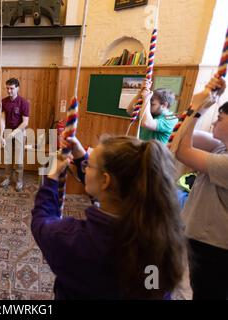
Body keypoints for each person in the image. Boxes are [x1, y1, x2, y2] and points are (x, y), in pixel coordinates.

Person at [32, 135, 186, 299]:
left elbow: (42, 221)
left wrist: (52, 176)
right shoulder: (156, 242)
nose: (86, 166)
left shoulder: (75, 240)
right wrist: (81, 157)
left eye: (89, 165)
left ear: (105, 181)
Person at [175, 75, 228, 300]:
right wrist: (208, 101)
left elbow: (181, 149)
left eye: (220, 118)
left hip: (215, 249)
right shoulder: (220, 149)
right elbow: (184, 136)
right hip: (206, 243)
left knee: (208, 295)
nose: (215, 123)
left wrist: (196, 106)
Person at [0, 78, 30, 192]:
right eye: (7, 88)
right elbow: (2, 118)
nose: (9, 91)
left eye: (11, 88)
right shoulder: (3, 101)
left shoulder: (24, 102)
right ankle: (7, 178)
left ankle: (19, 181)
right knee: (8, 158)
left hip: (19, 132)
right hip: (8, 131)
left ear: (17, 88)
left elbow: (25, 122)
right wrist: (1, 134)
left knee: (18, 159)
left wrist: (13, 133)